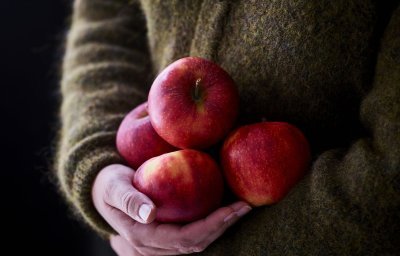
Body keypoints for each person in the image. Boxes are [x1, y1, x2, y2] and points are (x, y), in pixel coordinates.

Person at [55, 0, 400, 255]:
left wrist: (209, 249)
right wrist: (97, 159)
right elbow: (108, 15)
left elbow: (389, 178)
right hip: (130, 234)